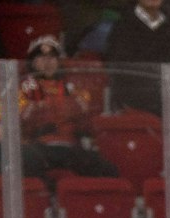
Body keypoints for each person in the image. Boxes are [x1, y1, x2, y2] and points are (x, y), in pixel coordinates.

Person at [18, 36, 119, 180]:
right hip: (38, 148)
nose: (48, 62)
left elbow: (88, 125)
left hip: (70, 147)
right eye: (41, 57)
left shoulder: (73, 90)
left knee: (107, 169)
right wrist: (35, 106)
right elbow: (20, 125)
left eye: (52, 57)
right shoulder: (23, 89)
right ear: (32, 62)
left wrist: (72, 107)